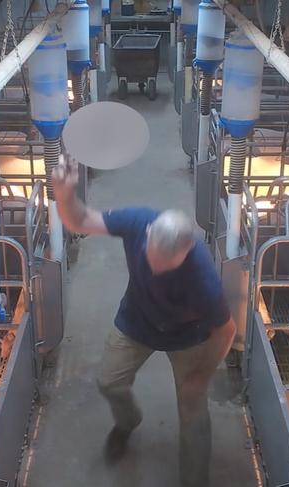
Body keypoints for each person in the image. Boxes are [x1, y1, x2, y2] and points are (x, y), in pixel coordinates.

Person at [52, 156, 236, 487]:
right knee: (109, 382)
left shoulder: (203, 279)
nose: (156, 269)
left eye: (167, 266)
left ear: (187, 251)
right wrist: (64, 194)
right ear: (149, 233)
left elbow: (226, 331)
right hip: (137, 321)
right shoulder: (138, 222)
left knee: (193, 414)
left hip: (187, 338)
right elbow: (79, 220)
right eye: (152, 259)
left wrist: (202, 374)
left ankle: (195, 482)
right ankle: (127, 422)